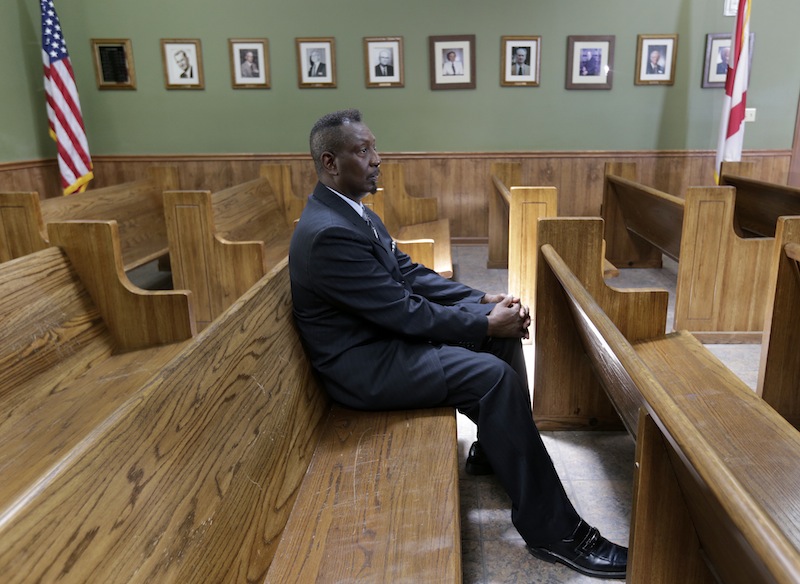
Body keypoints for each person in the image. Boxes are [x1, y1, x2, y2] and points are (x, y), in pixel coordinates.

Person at [288, 109, 628, 580]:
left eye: (373, 148)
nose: (377, 159)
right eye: (362, 151)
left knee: (505, 349)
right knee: (491, 375)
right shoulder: (328, 234)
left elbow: (407, 273)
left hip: (380, 342)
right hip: (363, 367)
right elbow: (402, 312)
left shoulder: (349, 210)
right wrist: (487, 324)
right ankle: (556, 533)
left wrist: (481, 301)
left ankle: (493, 451)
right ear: (329, 162)